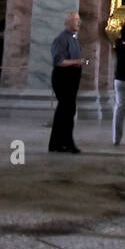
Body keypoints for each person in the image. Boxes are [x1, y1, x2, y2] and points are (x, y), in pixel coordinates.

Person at [49, 11, 84, 153]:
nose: (78, 22)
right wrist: (77, 61)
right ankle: (66, 143)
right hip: (63, 78)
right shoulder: (61, 39)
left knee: (66, 111)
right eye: (76, 20)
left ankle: (58, 143)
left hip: (72, 78)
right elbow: (59, 61)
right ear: (68, 22)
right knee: (66, 111)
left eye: (78, 20)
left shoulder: (74, 39)